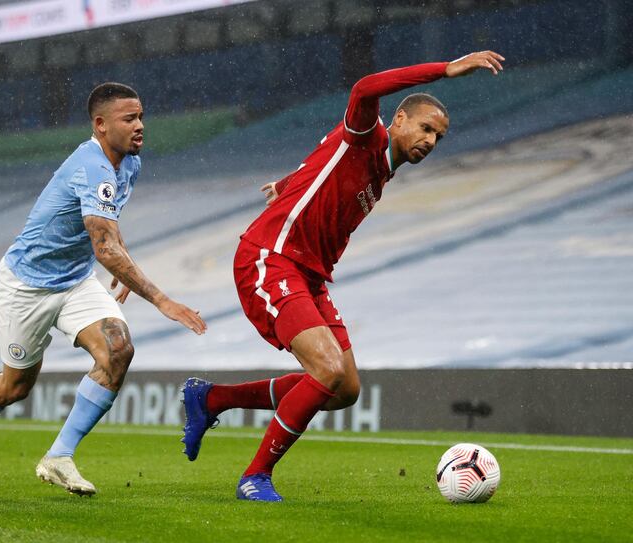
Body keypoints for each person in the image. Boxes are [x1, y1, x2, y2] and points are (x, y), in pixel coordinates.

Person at [181, 51, 505, 501]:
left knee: (344, 388)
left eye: (439, 137)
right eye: (426, 128)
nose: (431, 141)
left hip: (309, 274)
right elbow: (364, 87)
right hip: (271, 257)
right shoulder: (367, 136)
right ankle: (255, 476)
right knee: (327, 369)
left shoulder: (384, 169)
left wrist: (291, 184)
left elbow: (325, 167)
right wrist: (445, 69)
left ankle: (212, 399)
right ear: (398, 120)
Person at [0, 82, 207, 496]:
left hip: (74, 280)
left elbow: (109, 228)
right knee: (14, 388)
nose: (140, 125)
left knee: (118, 349)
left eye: (141, 115)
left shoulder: (129, 163)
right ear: (101, 124)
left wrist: (122, 267)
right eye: (129, 119)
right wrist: (160, 299)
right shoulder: (89, 165)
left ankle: (59, 456)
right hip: (27, 285)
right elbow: (103, 245)